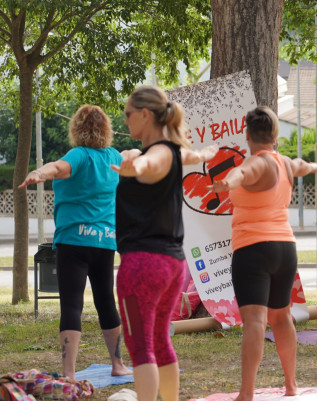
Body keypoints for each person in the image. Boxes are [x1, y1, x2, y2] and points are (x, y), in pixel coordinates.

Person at [208, 106, 317, 401]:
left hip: (253, 249)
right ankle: (291, 385)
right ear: (275, 135)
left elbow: (242, 172)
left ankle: (246, 392)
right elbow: (302, 165)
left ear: (247, 135)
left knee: (256, 321)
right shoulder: (284, 162)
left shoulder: (257, 163)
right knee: (281, 317)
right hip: (285, 249)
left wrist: (227, 183)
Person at [111, 85, 217, 401]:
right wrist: (205, 154)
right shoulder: (175, 151)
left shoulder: (155, 153)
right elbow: (190, 154)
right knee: (159, 340)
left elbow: (151, 162)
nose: (126, 120)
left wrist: (136, 167)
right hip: (171, 264)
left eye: (129, 114)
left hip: (142, 264)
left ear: (145, 114)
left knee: (140, 344)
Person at [18, 105, 131, 379]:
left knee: (71, 304)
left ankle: (69, 374)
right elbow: (130, 155)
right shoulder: (113, 157)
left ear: (76, 129)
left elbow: (58, 167)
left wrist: (41, 173)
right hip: (104, 242)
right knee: (106, 300)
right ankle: (117, 365)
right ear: (106, 129)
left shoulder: (79, 155)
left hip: (73, 242)